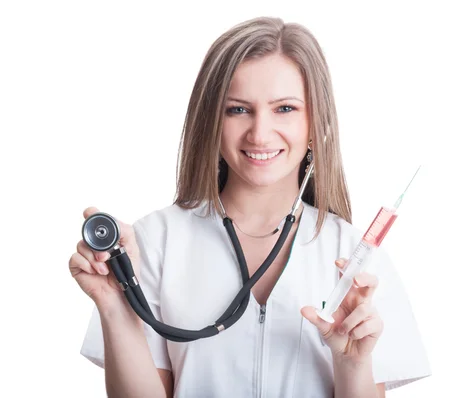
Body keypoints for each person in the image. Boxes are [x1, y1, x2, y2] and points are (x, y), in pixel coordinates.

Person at [69, 16, 431, 397]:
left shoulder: (356, 260)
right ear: (211, 120)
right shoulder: (154, 243)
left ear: (316, 124)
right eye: (238, 109)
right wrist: (115, 306)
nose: (260, 133)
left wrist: (352, 362)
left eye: (285, 109)